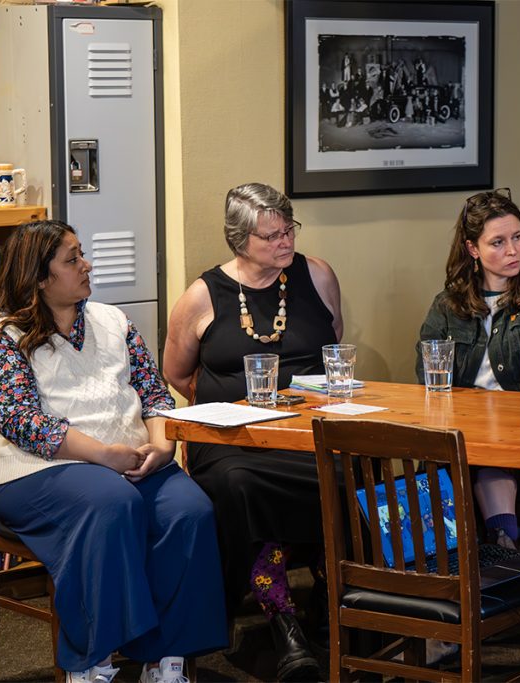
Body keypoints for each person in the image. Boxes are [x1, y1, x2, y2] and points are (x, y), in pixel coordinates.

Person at [0, 220, 226, 683]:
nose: (86, 265)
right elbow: (22, 422)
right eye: (72, 260)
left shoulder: (114, 321)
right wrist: (103, 456)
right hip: (34, 470)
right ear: (39, 277)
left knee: (190, 510)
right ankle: (91, 660)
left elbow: (156, 397)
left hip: (129, 461)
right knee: (111, 503)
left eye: (81, 253)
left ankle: (165, 660)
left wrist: (162, 448)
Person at [164, 183, 342, 682]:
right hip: (229, 443)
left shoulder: (317, 275)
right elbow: (177, 374)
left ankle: (337, 597)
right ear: (239, 241)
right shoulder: (202, 296)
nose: (285, 243)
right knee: (242, 485)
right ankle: (281, 615)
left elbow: (333, 346)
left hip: (307, 430)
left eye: (289, 230)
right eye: (271, 237)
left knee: (349, 468)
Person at [416, 187, 520, 549]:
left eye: (517, 237)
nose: (512, 250)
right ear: (473, 248)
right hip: (465, 432)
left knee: (482, 460)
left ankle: (501, 549)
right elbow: (424, 375)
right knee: (437, 463)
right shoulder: (448, 305)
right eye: (498, 242)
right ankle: (440, 573)